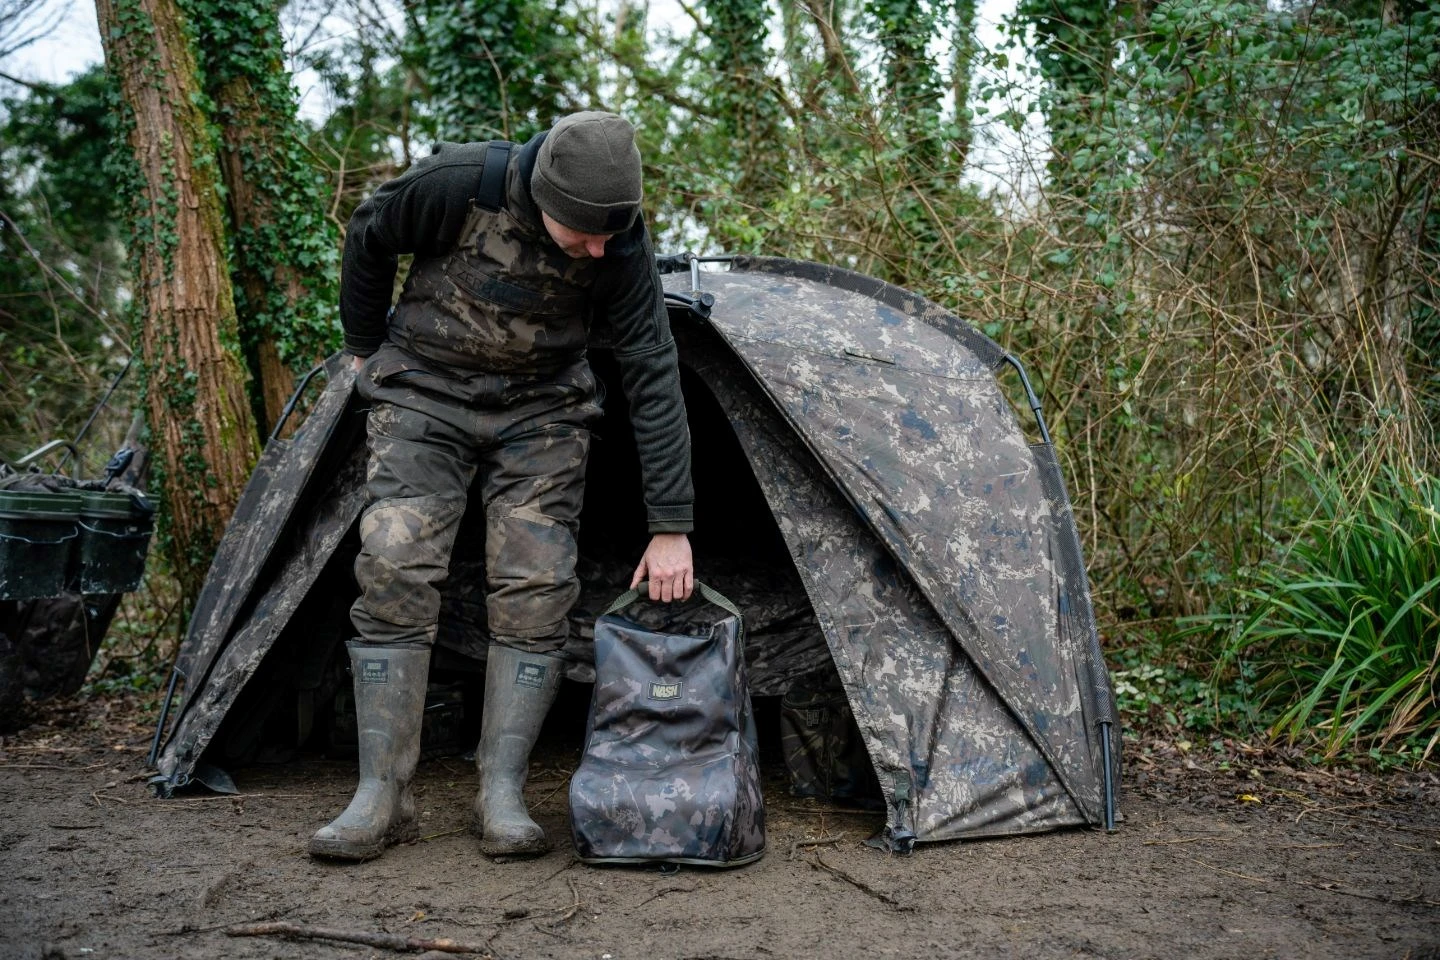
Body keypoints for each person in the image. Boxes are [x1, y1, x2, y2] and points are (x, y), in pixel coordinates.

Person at [308, 111, 695, 863]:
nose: (599, 249)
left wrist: (671, 522)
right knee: (393, 567)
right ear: (545, 195)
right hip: (424, 393)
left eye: (610, 235)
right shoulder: (456, 184)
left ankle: (502, 791)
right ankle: (381, 794)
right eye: (583, 233)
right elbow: (368, 234)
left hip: (543, 410)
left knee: (538, 584)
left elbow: (652, 366)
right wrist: (361, 345)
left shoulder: (618, 239)